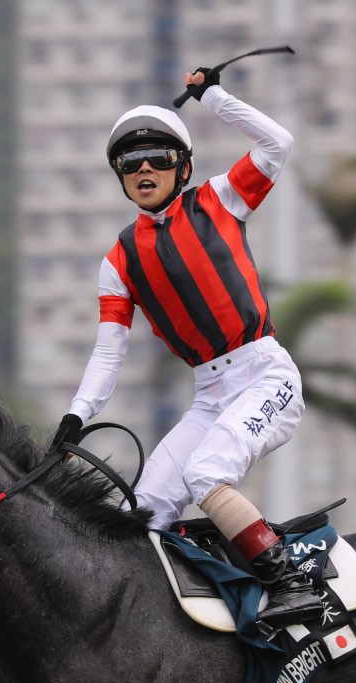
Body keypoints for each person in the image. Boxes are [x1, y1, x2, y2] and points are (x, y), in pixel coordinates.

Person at [52, 67, 323, 633]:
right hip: (210, 394)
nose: (144, 169)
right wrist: (77, 416)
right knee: (142, 511)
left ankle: (289, 583)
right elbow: (109, 354)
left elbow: (279, 142)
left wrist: (214, 97)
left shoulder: (222, 198)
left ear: (184, 166)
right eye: (131, 163)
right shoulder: (117, 261)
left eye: (157, 157)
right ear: (120, 178)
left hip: (265, 374)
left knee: (206, 473)